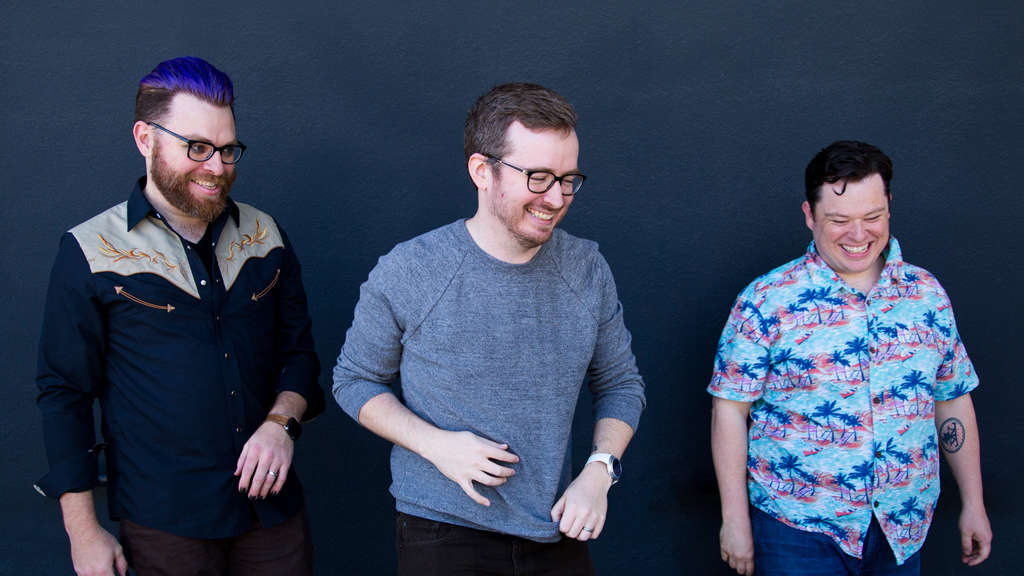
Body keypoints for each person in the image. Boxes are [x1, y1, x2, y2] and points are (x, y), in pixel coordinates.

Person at [332, 82, 646, 575]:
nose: (556, 198)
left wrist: (599, 471)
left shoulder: (586, 268)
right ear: (482, 171)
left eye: (568, 179)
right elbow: (354, 381)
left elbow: (621, 384)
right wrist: (435, 445)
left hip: (555, 528)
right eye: (538, 177)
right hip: (442, 530)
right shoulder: (412, 270)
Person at [35, 56, 323, 576]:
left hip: (273, 513)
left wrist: (281, 425)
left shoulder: (267, 236)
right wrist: (83, 532)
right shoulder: (89, 251)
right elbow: (64, 395)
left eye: (227, 149)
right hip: (163, 522)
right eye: (197, 147)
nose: (217, 167)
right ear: (145, 139)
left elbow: (299, 355)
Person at [709, 140, 992, 575]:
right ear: (809, 215)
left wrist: (974, 502)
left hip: (902, 528)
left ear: (889, 205)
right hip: (796, 531)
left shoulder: (927, 295)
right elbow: (729, 410)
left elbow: (951, 398)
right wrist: (734, 520)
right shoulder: (765, 300)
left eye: (872, 217)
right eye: (839, 220)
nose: (859, 235)